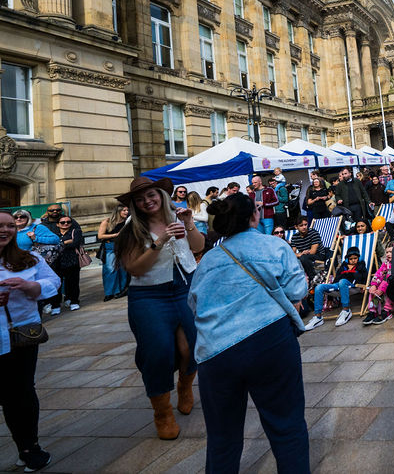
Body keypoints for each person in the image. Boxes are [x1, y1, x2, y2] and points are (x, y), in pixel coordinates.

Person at [188, 192, 309, 473]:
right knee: (287, 426)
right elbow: (297, 290)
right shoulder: (274, 246)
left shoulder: (208, 260)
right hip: (269, 338)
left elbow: (193, 304)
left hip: (216, 349)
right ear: (254, 216)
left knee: (222, 438)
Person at [114, 176, 205, 440]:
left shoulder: (177, 218)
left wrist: (188, 224)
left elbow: (198, 247)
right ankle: (162, 412)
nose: (147, 202)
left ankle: (185, 385)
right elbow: (135, 268)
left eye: (151, 195)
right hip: (148, 295)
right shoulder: (132, 229)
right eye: (140, 199)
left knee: (191, 345)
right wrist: (159, 241)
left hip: (184, 287)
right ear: (134, 204)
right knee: (158, 354)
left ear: (161, 195)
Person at [0, 209, 61, 472]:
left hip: (22, 337)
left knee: (21, 393)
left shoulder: (29, 258)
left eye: (10, 226)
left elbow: (53, 282)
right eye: (0, 226)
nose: (5, 230)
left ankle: (29, 447)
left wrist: (32, 288)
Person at [304, 245, 367, 330]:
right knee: (319, 287)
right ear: (347, 258)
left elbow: (364, 277)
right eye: (351, 258)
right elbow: (336, 279)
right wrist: (330, 298)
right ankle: (318, 317)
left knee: (342, 281)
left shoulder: (361, 266)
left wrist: (363, 286)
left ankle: (346, 310)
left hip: (353, 286)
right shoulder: (343, 267)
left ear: (358, 258)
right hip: (339, 285)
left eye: (355, 258)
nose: (353, 260)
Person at [50, 214, 84, 314]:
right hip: (57, 262)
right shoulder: (53, 234)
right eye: (62, 222)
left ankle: (74, 301)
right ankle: (55, 305)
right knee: (56, 284)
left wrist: (61, 243)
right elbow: (51, 245)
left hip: (72, 261)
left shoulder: (75, 231)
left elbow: (75, 243)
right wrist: (66, 242)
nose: (65, 224)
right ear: (57, 224)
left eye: (68, 222)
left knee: (73, 283)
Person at [97, 205, 131, 301]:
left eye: (127, 210)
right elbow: (100, 236)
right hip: (110, 247)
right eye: (124, 210)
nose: (126, 212)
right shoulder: (107, 222)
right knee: (110, 270)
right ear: (118, 211)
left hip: (123, 246)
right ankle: (109, 293)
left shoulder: (127, 222)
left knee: (123, 270)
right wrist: (115, 235)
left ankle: (120, 290)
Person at [362, 242, 394, 325]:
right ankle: (373, 311)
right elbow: (378, 274)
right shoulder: (385, 264)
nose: (388, 254)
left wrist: (382, 288)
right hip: (385, 284)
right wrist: (373, 285)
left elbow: (391, 278)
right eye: (387, 252)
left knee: (386, 285)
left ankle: (387, 311)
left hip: (393, 285)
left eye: (391, 252)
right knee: (373, 289)